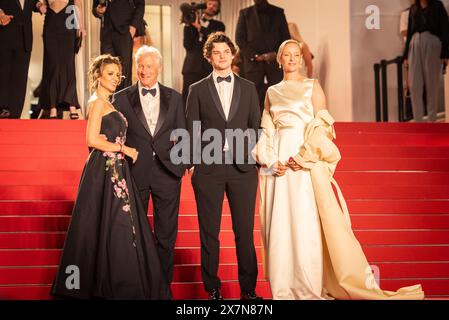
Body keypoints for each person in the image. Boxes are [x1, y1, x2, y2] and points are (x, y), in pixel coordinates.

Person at [252, 39, 425, 300]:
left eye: (296, 54)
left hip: (304, 160)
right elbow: (267, 130)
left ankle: (309, 287)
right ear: (279, 59)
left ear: (301, 58)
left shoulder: (313, 87)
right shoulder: (271, 92)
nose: (292, 59)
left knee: (306, 222)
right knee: (282, 224)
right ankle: (284, 289)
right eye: (286, 55)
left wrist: (304, 156)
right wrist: (268, 160)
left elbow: (322, 125)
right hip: (280, 166)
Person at [52, 54, 170, 299]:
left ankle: (120, 283)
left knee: (117, 225)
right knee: (114, 223)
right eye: (110, 74)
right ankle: (113, 286)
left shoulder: (109, 102)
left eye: (118, 74)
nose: (116, 78)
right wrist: (124, 149)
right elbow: (91, 139)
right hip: (106, 169)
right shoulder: (97, 103)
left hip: (115, 169)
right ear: (98, 76)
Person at [186, 32, 262, 300]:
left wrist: (253, 159)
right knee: (209, 233)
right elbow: (192, 129)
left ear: (233, 54)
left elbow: (256, 128)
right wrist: (193, 165)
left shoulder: (249, 88)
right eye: (216, 52)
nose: (221, 56)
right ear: (209, 57)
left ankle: (249, 291)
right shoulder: (196, 89)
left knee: (244, 233)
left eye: (225, 52)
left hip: (243, 171)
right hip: (209, 170)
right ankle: (213, 290)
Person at [112, 46, 187, 290]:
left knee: (166, 236)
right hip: (134, 173)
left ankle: (162, 287)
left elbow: (182, 134)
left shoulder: (175, 97)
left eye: (149, 66)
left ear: (159, 68)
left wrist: (182, 164)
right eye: (140, 66)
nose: (144, 71)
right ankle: (137, 286)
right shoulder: (121, 98)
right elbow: (114, 135)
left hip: (168, 173)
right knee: (134, 235)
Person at [235, 0, 290, 111]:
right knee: (253, 100)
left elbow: (285, 38)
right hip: (252, 64)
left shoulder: (278, 12)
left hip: (275, 64)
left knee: (277, 97)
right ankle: (255, 127)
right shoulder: (245, 13)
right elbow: (240, 39)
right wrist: (255, 56)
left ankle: (275, 126)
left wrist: (275, 54)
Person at [403, 0, 449, 122]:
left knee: (431, 84)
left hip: (433, 43)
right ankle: (418, 122)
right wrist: (405, 55)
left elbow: (445, 29)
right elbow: (409, 32)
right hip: (414, 43)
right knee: (414, 85)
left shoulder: (438, 6)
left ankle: (431, 121)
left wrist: (445, 53)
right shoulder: (413, 8)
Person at [38, 0, 84, 120]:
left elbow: (78, 6)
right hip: (51, 21)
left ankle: (71, 105)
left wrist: (81, 27)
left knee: (69, 65)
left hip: (69, 18)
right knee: (52, 66)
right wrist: (40, 5)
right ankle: (52, 107)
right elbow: (40, 3)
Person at [0, 0, 45, 119]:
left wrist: (39, 5)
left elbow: (34, 3)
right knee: (4, 76)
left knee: (20, 79)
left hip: (25, 40)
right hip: (5, 37)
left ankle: (15, 113)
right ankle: (3, 109)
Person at [93, 0, 145, 91]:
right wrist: (97, 11)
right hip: (106, 32)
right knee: (106, 68)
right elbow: (95, 8)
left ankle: (124, 102)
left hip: (124, 31)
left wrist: (133, 27)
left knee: (124, 70)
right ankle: (109, 101)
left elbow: (140, 4)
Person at [181, 0, 225, 106]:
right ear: (204, 5)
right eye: (209, 4)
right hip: (191, 68)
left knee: (206, 100)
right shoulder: (190, 22)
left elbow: (217, 40)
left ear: (217, 9)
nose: (211, 7)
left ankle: (201, 123)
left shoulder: (219, 25)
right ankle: (191, 123)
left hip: (209, 68)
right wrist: (189, 25)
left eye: (214, 5)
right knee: (188, 99)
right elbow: (187, 45)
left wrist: (200, 28)